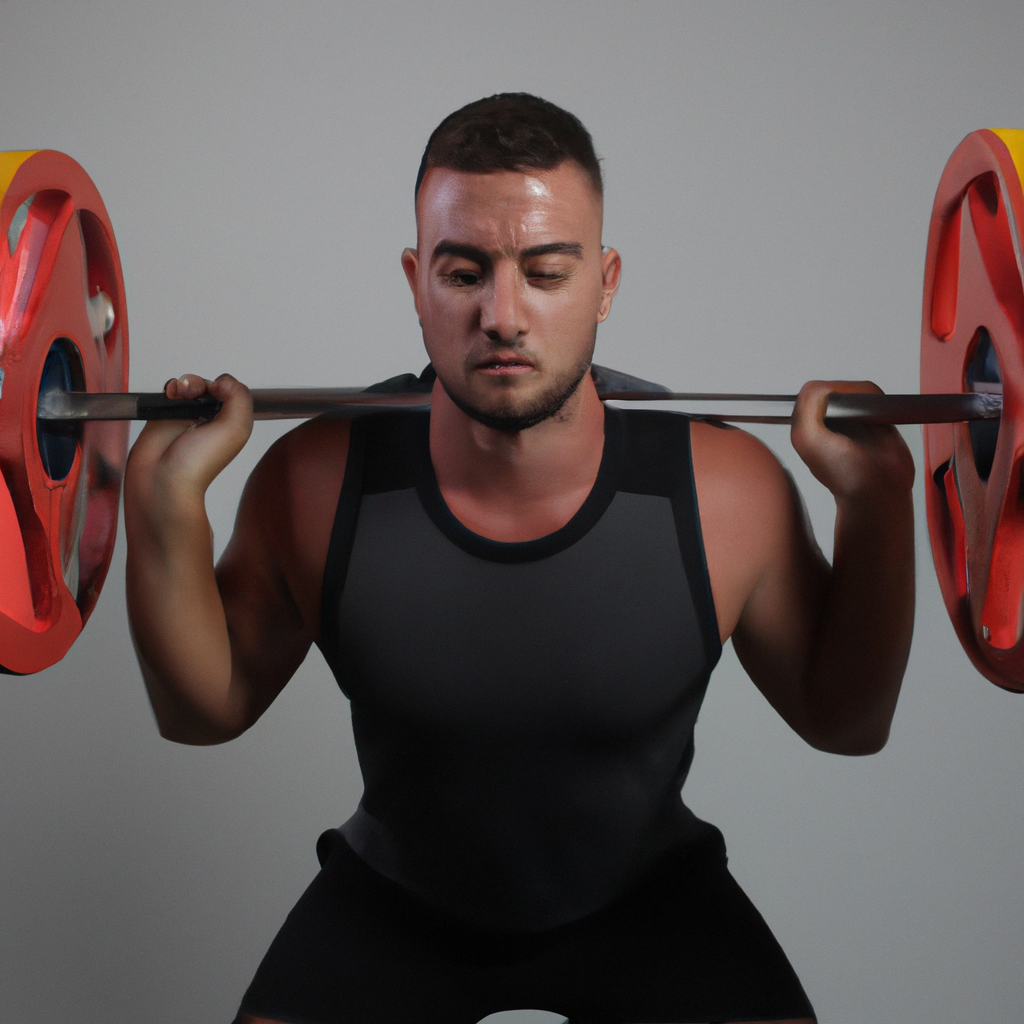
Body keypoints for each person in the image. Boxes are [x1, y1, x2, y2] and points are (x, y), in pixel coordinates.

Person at [124, 94, 915, 1024]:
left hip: (653, 909)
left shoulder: (723, 489)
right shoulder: (313, 481)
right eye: (465, 273)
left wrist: (877, 504)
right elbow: (201, 713)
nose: (504, 315)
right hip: (396, 906)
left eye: (546, 272)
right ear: (417, 281)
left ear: (606, 283)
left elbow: (847, 722)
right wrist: (163, 503)